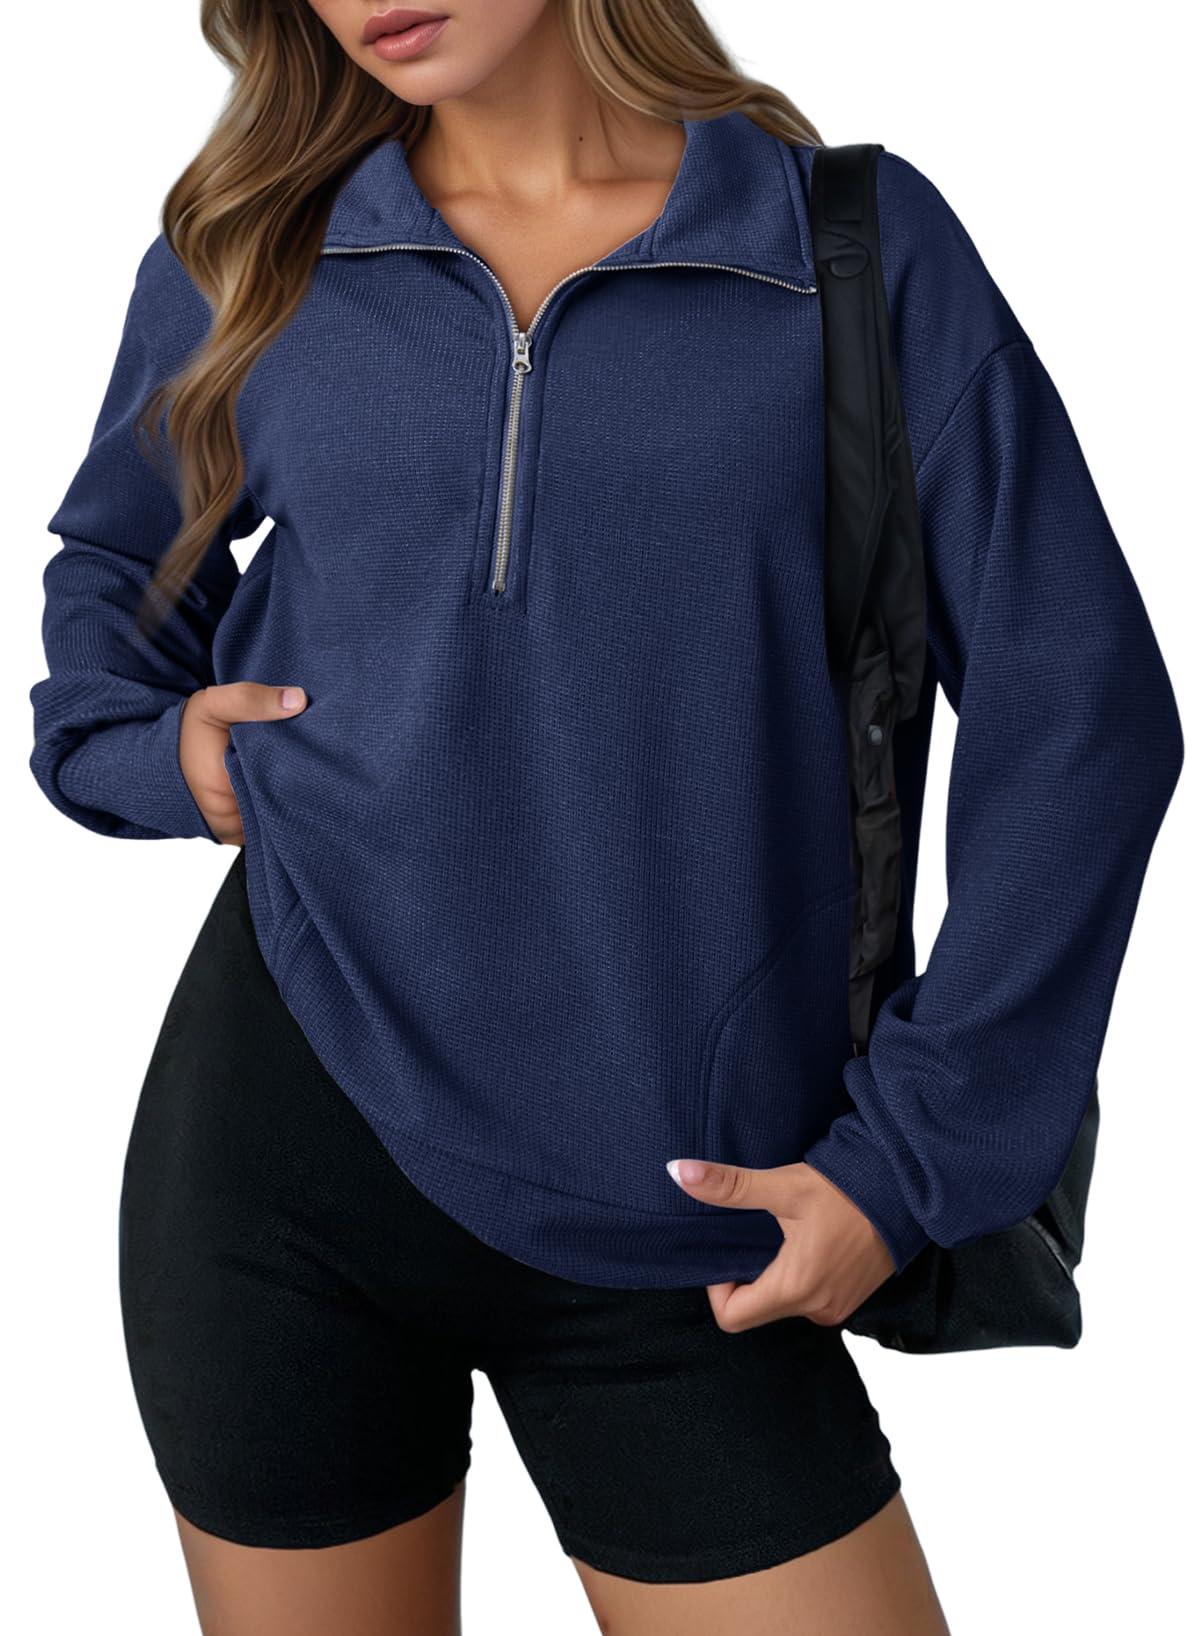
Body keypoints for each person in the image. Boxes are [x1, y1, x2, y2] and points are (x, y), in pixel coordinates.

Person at [27, 2, 1183, 1633]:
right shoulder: (265, 249)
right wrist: (160, 753)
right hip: (282, 1159)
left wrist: (906, 1163)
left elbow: (1084, 718)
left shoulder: (836, 250)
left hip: (690, 1211)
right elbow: (115, 561)